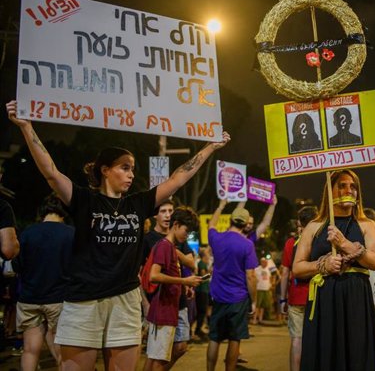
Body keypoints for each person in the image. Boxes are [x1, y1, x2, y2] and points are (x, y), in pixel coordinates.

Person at [5, 99, 230, 371]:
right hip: (83, 301)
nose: (131, 174)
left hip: (125, 301)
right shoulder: (84, 200)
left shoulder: (138, 203)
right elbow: (51, 173)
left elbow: (178, 178)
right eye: (125, 167)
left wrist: (210, 147)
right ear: (105, 170)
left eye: (133, 168)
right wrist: (26, 126)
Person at [293, 169, 375, 371]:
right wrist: (321, 265)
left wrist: (344, 243)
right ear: (329, 190)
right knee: (326, 356)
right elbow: (297, 268)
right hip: (324, 300)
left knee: (356, 355)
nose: (348, 190)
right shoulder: (314, 226)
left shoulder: (367, 225)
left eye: (353, 186)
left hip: (356, 300)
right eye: (341, 185)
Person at [15, 194, 74, 371]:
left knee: (30, 350)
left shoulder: (27, 233)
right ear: (64, 212)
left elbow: (18, 265)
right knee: (62, 352)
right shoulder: (71, 234)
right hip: (59, 299)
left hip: (29, 299)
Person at [144, 207, 202, 371]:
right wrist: (184, 281)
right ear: (176, 225)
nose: (187, 235)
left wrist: (185, 284)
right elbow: (153, 276)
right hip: (163, 311)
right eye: (186, 230)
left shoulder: (170, 246)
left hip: (167, 309)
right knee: (159, 360)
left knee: (156, 357)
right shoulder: (165, 246)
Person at [206, 199, 258, 371]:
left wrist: (220, 206)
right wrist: (254, 301)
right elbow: (250, 276)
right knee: (235, 339)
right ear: (245, 224)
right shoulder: (247, 245)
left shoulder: (217, 238)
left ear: (230, 220)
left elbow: (211, 225)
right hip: (239, 298)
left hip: (218, 296)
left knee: (214, 338)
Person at [280, 205, 317, 371]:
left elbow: (285, 273)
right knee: (317, 338)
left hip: (295, 298)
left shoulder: (291, 243)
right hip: (317, 296)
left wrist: (283, 299)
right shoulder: (320, 242)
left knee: (297, 339)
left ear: (299, 222)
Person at [193, 247, 211, 341]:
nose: (208, 257)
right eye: (207, 255)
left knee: (202, 312)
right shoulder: (202, 264)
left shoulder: (203, 263)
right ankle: (197, 331)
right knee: (201, 311)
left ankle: (198, 330)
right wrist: (210, 272)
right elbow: (203, 277)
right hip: (201, 291)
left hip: (203, 291)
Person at [253, 257, 272, 324]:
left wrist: (270, 285)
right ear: (261, 262)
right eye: (264, 262)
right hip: (259, 288)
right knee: (258, 305)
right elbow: (253, 276)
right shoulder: (257, 269)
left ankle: (260, 319)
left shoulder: (268, 269)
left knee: (263, 305)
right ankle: (254, 319)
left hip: (266, 289)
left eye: (266, 262)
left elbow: (269, 278)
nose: (266, 263)